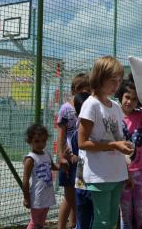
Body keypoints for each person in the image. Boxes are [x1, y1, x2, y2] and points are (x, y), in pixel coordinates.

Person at [77, 56, 134, 228]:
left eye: (119, 80)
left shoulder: (116, 107)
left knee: (110, 221)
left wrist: (125, 157)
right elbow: (82, 143)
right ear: (100, 78)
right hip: (99, 175)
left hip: (117, 173)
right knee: (101, 221)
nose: (117, 85)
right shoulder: (91, 105)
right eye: (112, 80)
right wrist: (113, 145)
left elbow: (118, 139)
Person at [115, 78, 142, 229]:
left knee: (141, 209)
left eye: (134, 99)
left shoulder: (141, 115)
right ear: (121, 96)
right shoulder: (114, 115)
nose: (130, 101)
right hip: (122, 171)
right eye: (127, 97)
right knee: (125, 210)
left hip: (141, 171)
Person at [57, 73, 89, 229]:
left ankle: (73, 224)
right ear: (77, 89)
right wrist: (62, 157)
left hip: (80, 159)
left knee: (79, 195)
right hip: (69, 160)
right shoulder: (65, 109)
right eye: (87, 91)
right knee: (69, 198)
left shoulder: (85, 107)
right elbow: (61, 136)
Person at [22, 123, 59, 229]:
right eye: (37, 141)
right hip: (37, 197)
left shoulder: (46, 154)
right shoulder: (30, 159)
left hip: (47, 195)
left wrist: (62, 166)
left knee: (41, 223)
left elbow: (52, 166)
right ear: (29, 141)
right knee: (34, 222)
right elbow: (25, 180)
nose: (41, 144)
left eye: (43, 141)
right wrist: (26, 198)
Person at [72, 91, 93, 229]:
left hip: (87, 182)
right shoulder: (78, 134)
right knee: (85, 218)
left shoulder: (78, 132)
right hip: (84, 182)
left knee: (88, 218)